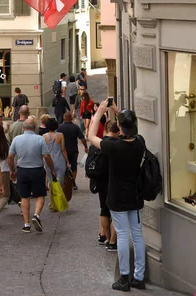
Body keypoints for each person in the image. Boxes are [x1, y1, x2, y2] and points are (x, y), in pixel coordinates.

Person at [89, 101, 146, 292]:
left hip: (117, 197)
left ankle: (124, 277)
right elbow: (129, 128)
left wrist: (99, 113)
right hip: (135, 196)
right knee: (137, 235)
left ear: (120, 127)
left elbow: (91, 136)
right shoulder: (140, 142)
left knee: (122, 235)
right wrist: (118, 113)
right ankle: (139, 277)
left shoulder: (112, 145)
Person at [8, 117, 56, 233]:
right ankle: (36, 215)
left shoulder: (16, 139)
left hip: (22, 170)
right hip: (37, 170)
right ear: (34, 128)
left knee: (24, 197)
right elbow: (46, 156)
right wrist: (52, 169)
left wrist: (12, 170)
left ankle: (26, 223)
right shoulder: (40, 139)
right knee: (40, 194)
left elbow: (10, 156)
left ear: (23, 128)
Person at [96, 120, 120, 251]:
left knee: (104, 210)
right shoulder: (118, 144)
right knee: (116, 212)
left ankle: (105, 236)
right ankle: (112, 241)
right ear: (118, 131)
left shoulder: (99, 143)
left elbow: (90, 135)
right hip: (115, 181)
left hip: (101, 181)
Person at [58, 111, 88, 189]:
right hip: (73, 150)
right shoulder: (75, 127)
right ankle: (73, 182)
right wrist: (86, 147)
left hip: (62, 150)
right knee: (74, 167)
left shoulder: (60, 127)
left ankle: (65, 183)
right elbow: (82, 138)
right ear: (71, 118)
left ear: (64, 118)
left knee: (64, 166)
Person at [43, 118, 70, 187]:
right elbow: (63, 149)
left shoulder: (44, 136)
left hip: (48, 160)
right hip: (59, 160)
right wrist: (67, 162)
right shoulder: (60, 135)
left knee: (50, 181)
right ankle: (59, 196)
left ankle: (52, 195)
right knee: (60, 182)